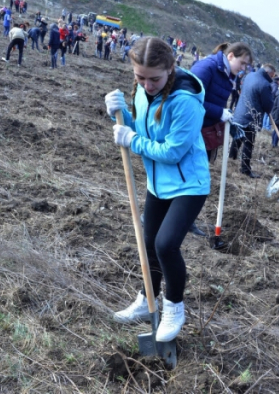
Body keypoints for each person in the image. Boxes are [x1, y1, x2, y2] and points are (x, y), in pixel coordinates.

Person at [108, 37, 210, 342]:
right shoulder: (142, 89)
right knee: (149, 242)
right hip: (158, 184)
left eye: (154, 79)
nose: (147, 85)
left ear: (170, 69)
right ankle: (146, 299)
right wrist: (121, 115)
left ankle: (174, 308)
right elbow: (139, 128)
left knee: (166, 245)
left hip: (188, 185)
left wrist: (131, 140)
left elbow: (172, 152)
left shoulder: (186, 101)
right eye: (140, 77)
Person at [190, 42, 253, 161]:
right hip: (192, 132)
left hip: (205, 132)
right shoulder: (206, 68)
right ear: (230, 56)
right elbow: (190, 101)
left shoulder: (226, 74)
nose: (243, 68)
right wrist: (220, 113)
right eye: (242, 63)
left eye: (246, 65)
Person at [229, 64, 276, 178]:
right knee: (248, 144)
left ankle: (231, 158)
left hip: (239, 113)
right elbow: (268, 106)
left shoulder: (250, 75)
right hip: (251, 118)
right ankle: (245, 169)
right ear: (269, 73)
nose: (273, 78)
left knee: (238, 138)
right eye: (273, 76)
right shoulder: (265, 84)